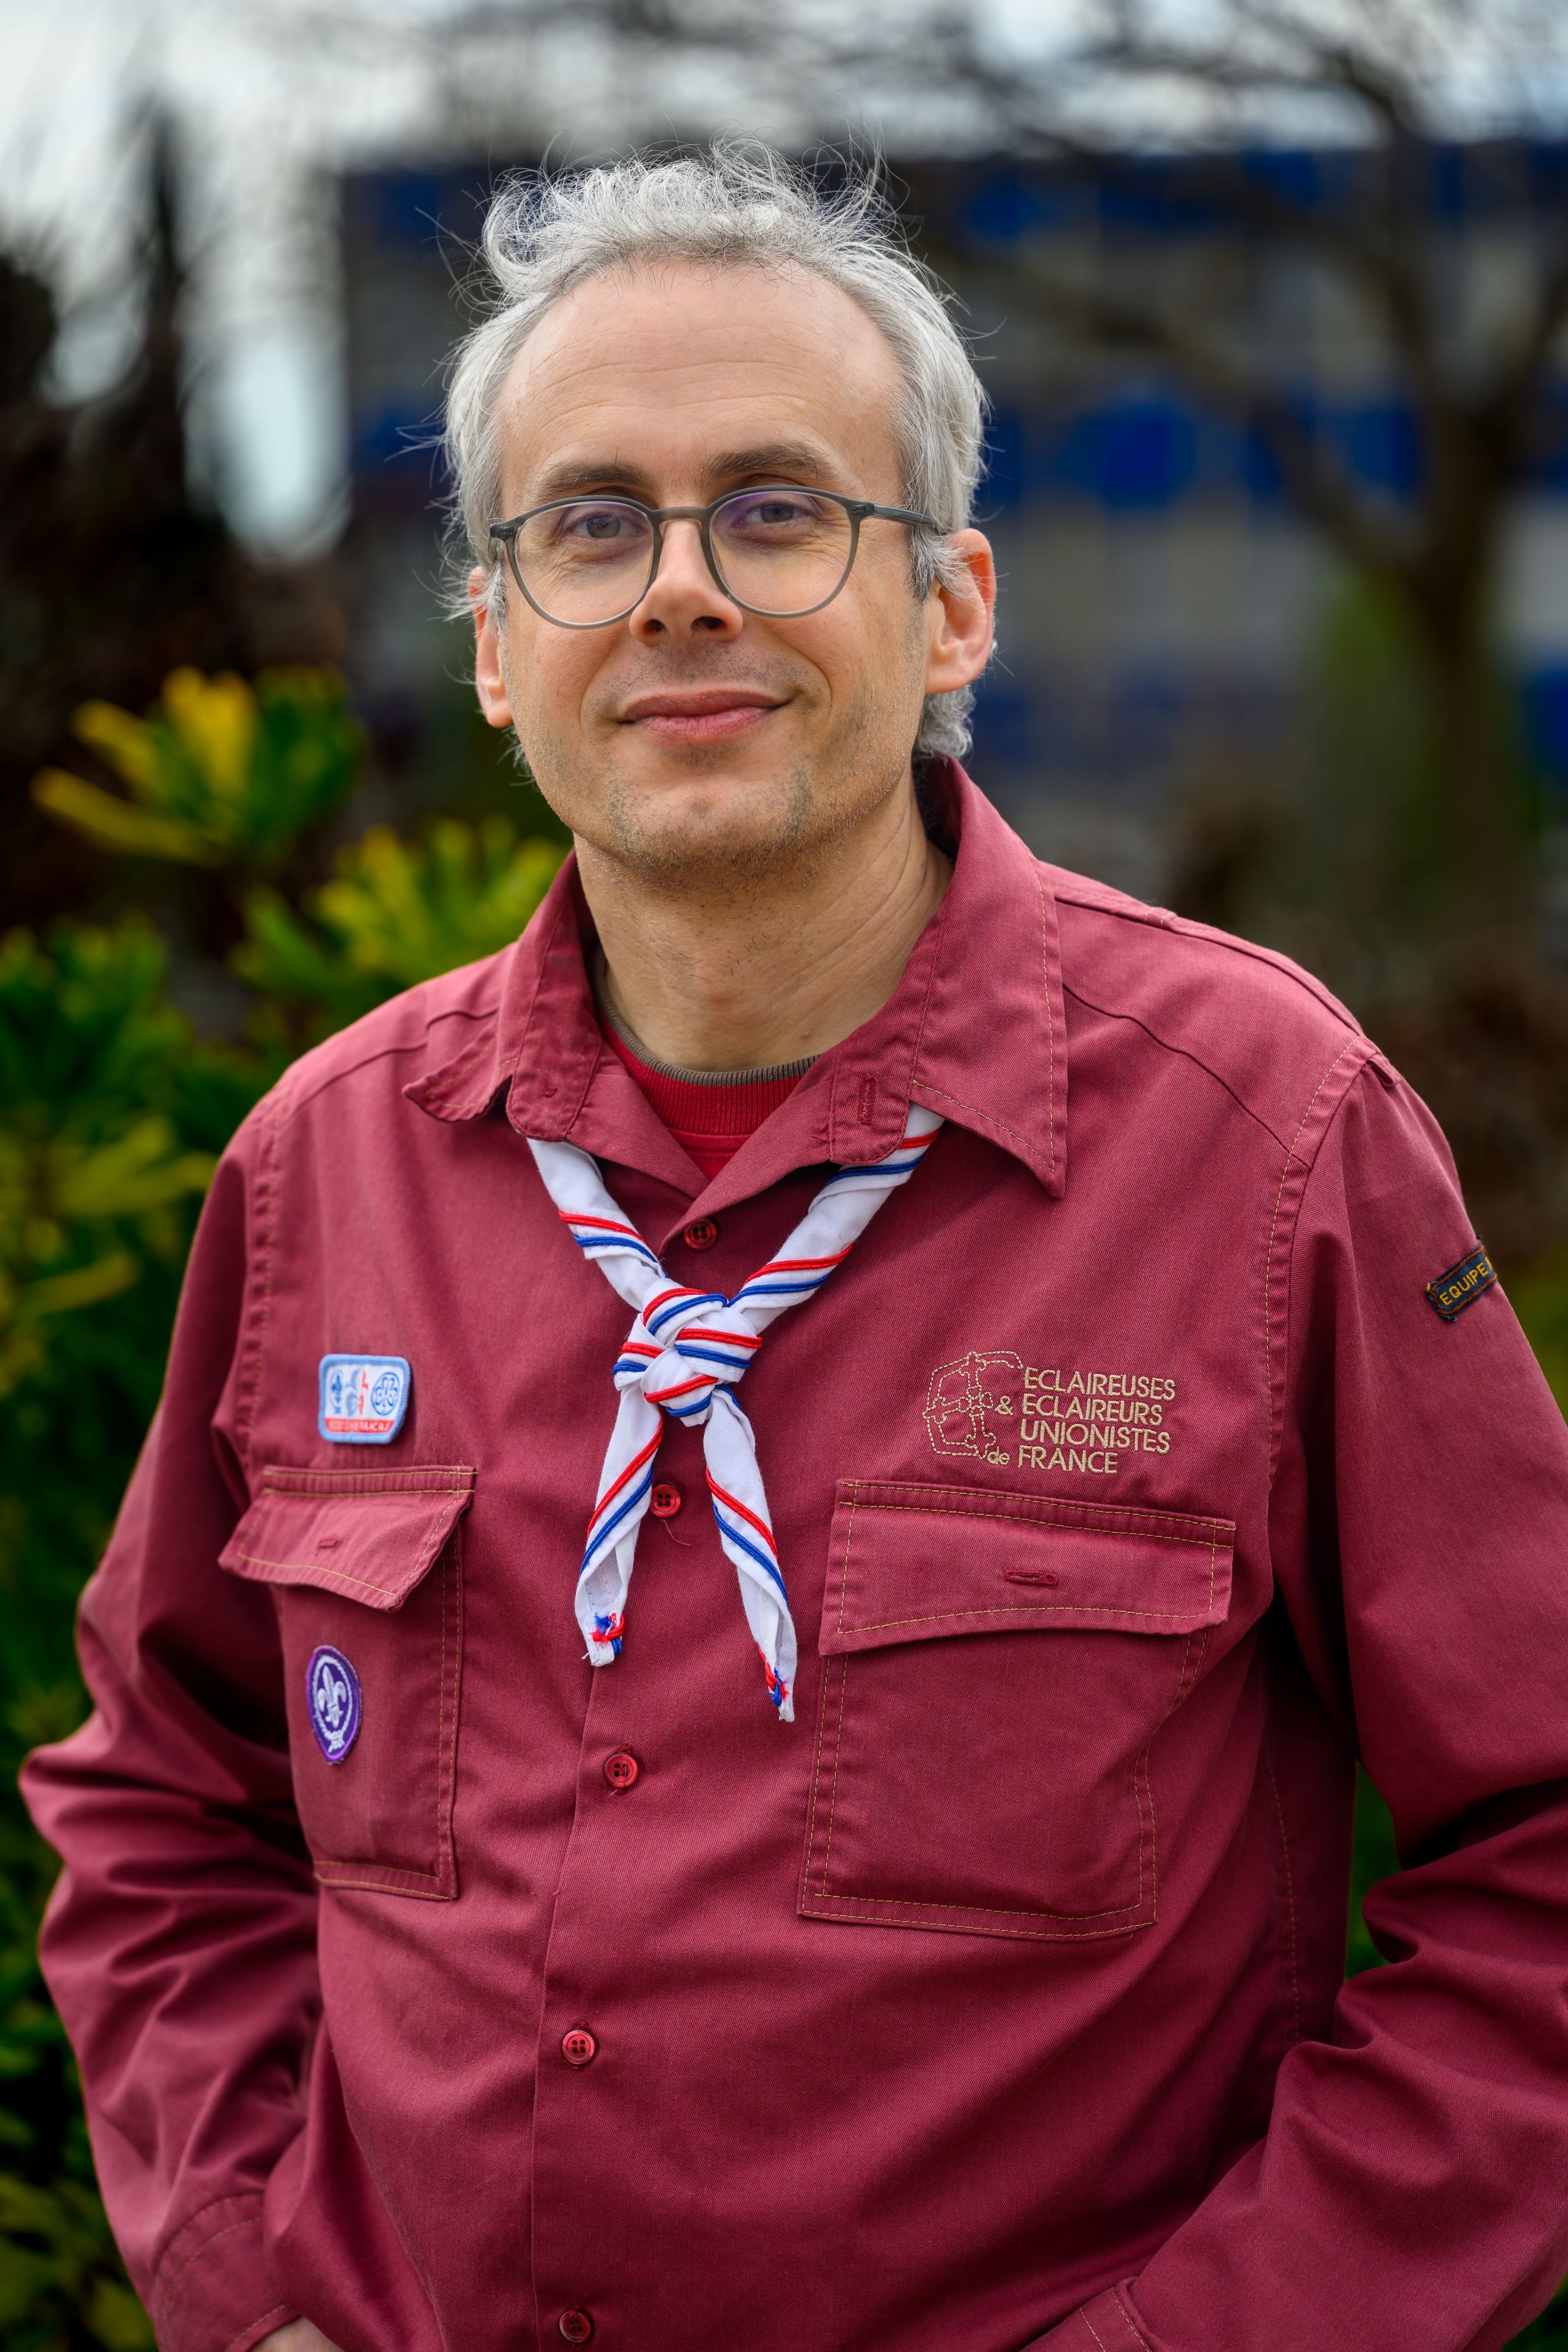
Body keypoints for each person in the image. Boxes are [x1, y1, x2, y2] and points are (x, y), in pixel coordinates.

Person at [22, 143, 1568, 2352]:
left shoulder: (1267, 1143)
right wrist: (256, 2275)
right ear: (491, 641)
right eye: (587, 522)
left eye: (776, 508)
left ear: (952, 605)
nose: (677, 590)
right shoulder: (328, 1170)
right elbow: (162, 1787)